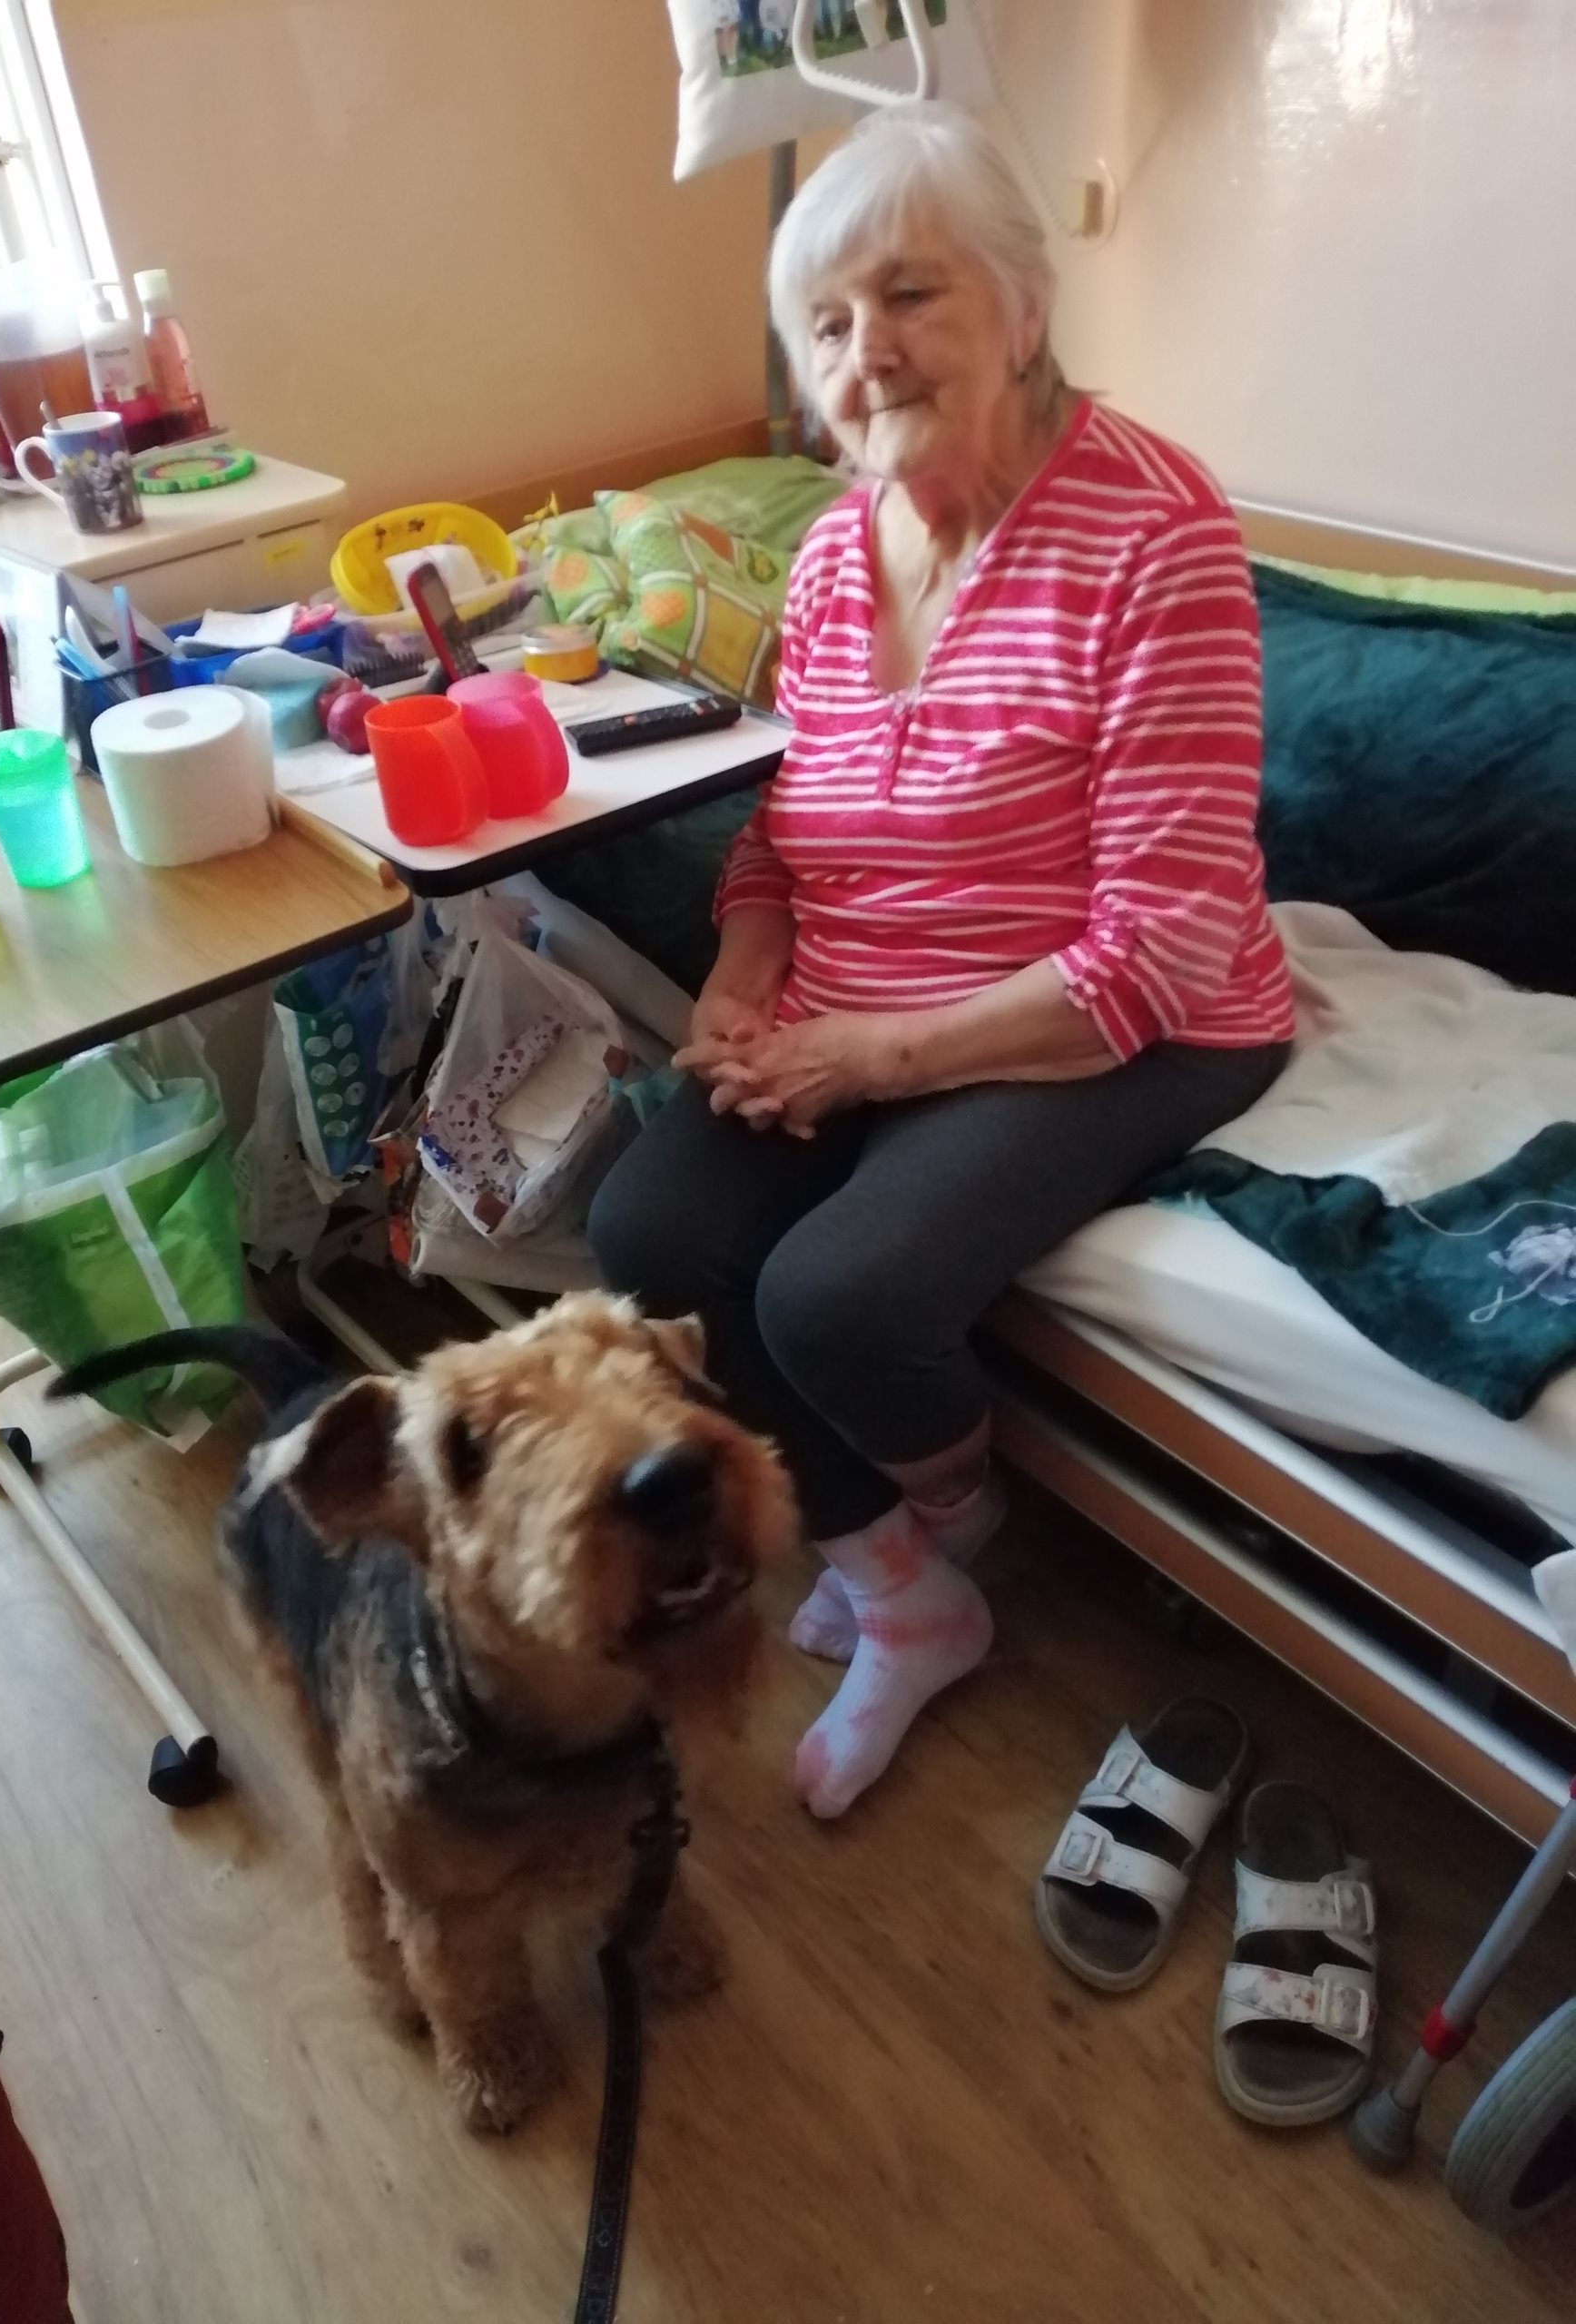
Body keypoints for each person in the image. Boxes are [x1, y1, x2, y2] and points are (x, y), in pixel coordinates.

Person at [588, 103, 1294, 1821]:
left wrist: (864, 1062)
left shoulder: (1157, 536)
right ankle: (912, 1581)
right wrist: (747, 979)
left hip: (1127, 1014)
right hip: (867, 991)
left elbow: (1160, 945)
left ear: (1026, 310)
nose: (868, 352)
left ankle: (943, 1523)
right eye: (826, 323)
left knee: (836, 1291)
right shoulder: (836, 554)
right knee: (647, 1229)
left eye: (912, 294)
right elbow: (783, 834)